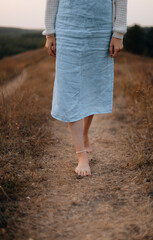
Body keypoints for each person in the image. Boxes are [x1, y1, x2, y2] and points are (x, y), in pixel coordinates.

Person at [42, 0, 128, 177]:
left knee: (92, 85)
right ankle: (81, 155)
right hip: (67, 28)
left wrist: (118, 33)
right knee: (68, 87)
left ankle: (85, 133)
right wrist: (49, 33)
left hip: (100, 30)